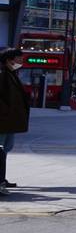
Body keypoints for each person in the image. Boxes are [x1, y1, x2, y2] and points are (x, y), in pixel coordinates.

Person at [0, 47, 30, 196]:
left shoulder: (11, 74)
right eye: (19, 59)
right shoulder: (2, 74)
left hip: (10, 119)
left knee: (7, 148)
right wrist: (5, 111)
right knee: (1, 150)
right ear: (9, 60)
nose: (21, 61)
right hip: (3, 119)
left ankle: (2, 178)